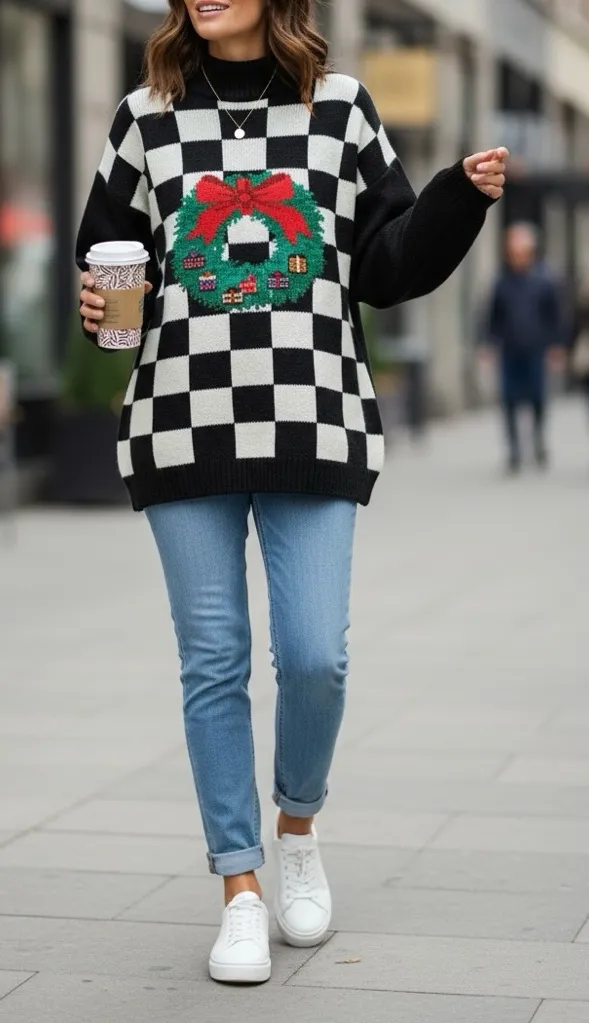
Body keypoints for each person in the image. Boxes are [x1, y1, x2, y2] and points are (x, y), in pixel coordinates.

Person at [76, 0, 506, 986]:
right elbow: (108, 247)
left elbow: (385, 266)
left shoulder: (342, 109)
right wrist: (97, 300)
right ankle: (237, 887)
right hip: (181, 419)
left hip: (312, 415)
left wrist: (455, 198)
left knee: (315, 654)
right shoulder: (144, 115)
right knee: (214, 657)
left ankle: (297, 829)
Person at [486, 223, 564, 472]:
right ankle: (514, 451)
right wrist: (488, 343)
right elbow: (493, 315)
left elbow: (555, 315)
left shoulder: (545, 279)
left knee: (537, 398)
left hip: (536, 348)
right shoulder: (503, 281)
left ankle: (539, 443)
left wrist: (556, 346)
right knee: (509, 400)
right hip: (509, 349)